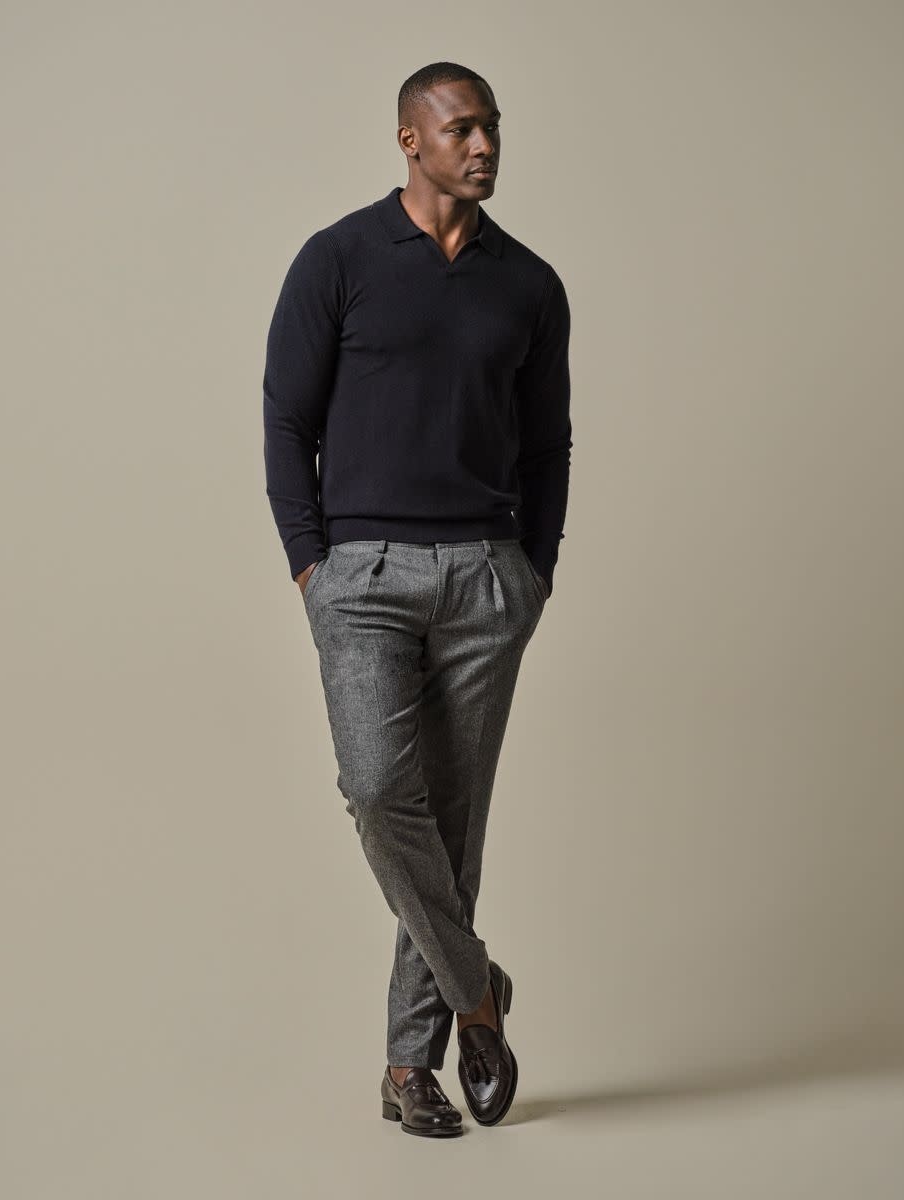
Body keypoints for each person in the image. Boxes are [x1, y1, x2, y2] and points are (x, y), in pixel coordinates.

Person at [263, 61, 572, 1137]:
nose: (483, 147)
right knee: (377, 789)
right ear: (410, 140)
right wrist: (312, 566)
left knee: (452, 826)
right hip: (363, 579)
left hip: (486, 577)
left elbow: (547, 445)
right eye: (461, 130)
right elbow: (285, 420)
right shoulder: (338, 259)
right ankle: (476, 991)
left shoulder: (529, 285)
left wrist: (532, 573)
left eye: (492, 129)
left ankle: (409, 1070)